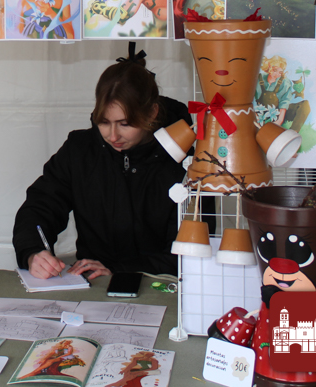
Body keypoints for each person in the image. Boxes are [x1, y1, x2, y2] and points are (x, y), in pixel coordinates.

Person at [13, 45, 192, 279]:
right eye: (104, 122)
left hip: (161, 286)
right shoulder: (79, 150)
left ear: (152, 113)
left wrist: (120, 271)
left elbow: (190, 249)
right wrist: (34, 252)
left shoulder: (186, 163)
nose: (113, 136)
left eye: (125, 124)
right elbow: (40, 206)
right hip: (92, 283)